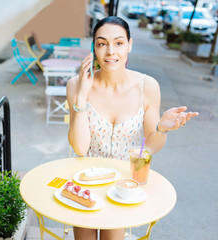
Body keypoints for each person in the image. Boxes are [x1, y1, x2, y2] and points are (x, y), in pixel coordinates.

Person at [66, 16, 199, 240]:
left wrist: (162, 128)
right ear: (94, 48)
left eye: (118, 42)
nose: (110, 51)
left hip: (123, 186)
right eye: (101, 43)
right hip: (85, 182)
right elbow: (80, 147)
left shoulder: (148, 86)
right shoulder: (75, 85)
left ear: (130, 44)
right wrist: (82, 94)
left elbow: (150, 145)